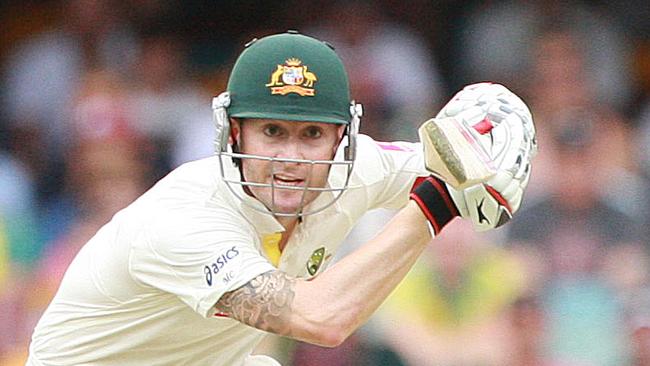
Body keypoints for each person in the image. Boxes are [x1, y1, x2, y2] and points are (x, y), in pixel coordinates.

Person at [26, 31, 536, 366]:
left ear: (342, 139)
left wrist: (490, 143)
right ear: (233, 135)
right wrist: (435, 208)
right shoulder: (186, 218)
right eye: (272, 131)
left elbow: (460, 163)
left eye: (312, 134)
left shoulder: (352, 169)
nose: (292, 159)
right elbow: (321, 319)